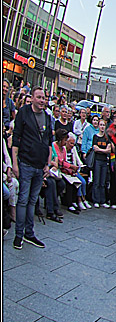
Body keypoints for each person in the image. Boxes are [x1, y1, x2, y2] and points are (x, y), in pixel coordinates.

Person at [12, 87, 53, 249]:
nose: (42, 100)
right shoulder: (24, 112)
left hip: (40, 165)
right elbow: (16, 138)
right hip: (26, 163)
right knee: (23, 200)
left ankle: (29, 233)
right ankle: (18, 235)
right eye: (39, 97)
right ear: (33, 98)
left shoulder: (47, 117)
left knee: (32, 201)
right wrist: (15, 164)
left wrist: (48, 164)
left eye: (44, 98)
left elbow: (49, 142)